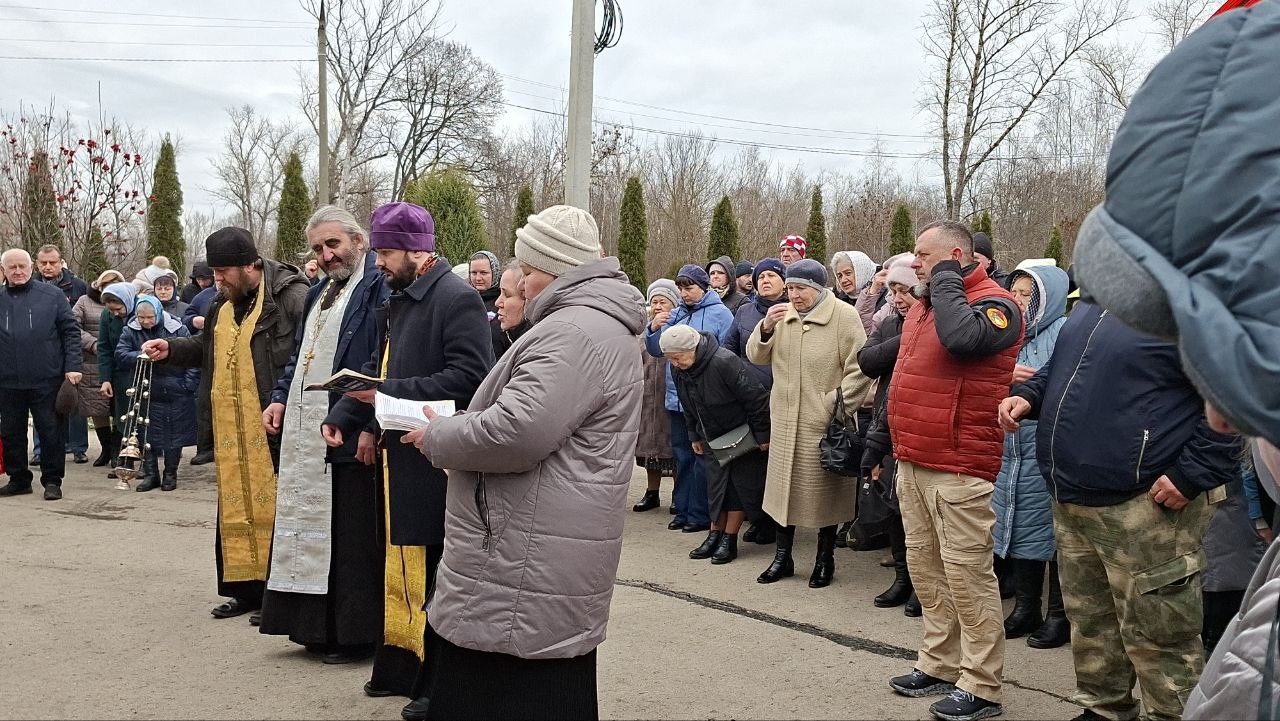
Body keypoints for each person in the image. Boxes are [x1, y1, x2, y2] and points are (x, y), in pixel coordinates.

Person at [407, 204, 645, 720]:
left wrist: (440, 435)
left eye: (528, 271)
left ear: (554, 271)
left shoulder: (572, 332)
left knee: (506, 688)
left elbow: (517, 433)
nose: (520, 284)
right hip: (543, 540)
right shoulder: (595, 324)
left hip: (524, 548)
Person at [998, 300, 1239, 721]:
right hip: (1073, 498)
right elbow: (1062, 369)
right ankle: (1104, 708)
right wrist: (1027, 395)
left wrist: (1193, 474)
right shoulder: (1095, 301)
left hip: (1146, 505)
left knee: (1159, 635)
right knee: (1091, 622)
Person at [321, 202, 492, 718]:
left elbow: (470, 378)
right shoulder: (399, 295)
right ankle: (399, 668)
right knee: (398, 564)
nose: (377, 263)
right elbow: (382, 366)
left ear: (417, 251)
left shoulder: (456, 298)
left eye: (386, 253)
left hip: (432, 459)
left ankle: (436, 685)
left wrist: (386, 393)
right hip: (396, 454)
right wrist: (348, 415)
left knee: (435, 571)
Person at [885, 221, 1023, 721]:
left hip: (959, 465)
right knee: (927, 569)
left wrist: (944, 279)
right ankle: (940, 663)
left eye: (924, 255)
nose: (914, 262)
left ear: (956, 257)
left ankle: (982, 685)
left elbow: (963, 340)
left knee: (967, 575)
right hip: (914, 457)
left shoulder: (997, 305)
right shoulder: (926, 305)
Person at [140, 227, 309, 623]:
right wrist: (171, 349)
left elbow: (304, 354)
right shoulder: (223, 301)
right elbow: (208, 348)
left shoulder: (291, 296)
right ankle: (243, 590)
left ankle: (277, 595)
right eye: (214, 273)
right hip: (231, 426)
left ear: (250, 265)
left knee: (276, 507)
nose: (217, 281)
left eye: (223, 273)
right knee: (235, 505)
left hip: (273, 421)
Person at [258, 206, 389, 665]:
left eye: (333, 244)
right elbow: (298, 359)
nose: (326, 254)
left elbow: (381, 359)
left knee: (350, 536)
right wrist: (279, 397)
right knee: (309, 526)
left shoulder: (377, 287)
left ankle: (352, 635)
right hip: (304, 428)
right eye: (318, 248)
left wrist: (369, 423)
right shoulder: (318, 292)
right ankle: (310, 626)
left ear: (359, 241)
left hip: (349, 425)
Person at [746, 258, 873, 589]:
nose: (794, 295)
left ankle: (824, 559)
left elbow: (860, 368)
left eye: (800, 288)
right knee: (782, 494)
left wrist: (833, 404)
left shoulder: (843, 316)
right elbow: (756, 356)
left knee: (824, 496)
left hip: (823, 424)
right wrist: (765, 328)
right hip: (785, 421)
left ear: (818, 288)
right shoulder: (783, 315)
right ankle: (782, 557)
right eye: (790, 288)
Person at [665, 324, 770, 565]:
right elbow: (687, 404)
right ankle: (715, 534)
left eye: (677, 357)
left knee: (737, 487)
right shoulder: (679, 369)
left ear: (692, 348)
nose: (675, 363)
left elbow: (756, 398)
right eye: (670, 359)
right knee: (715, 487)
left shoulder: (724, 361)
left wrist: (763, 436)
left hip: (741, 431)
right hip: (711, 435)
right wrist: (693, 435)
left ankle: (729, 539)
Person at [645, 263, 734, 535]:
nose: (684, 294)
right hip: (676, 397)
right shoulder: (676, 314)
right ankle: (682, 510)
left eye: (689, 288)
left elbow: (728, 353)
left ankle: (699, 514)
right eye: (681, 288)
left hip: (705, 398)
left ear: (703, 287)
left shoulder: (721, 313)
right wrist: (653, 328)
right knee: (682, 458)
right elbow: (657, 350)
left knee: (702, 459)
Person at [857, 253, 922, 615]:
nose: (897, 298)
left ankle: (921, 585)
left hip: (919, 426)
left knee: (916, 512)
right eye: (893, 291)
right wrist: (903, 339)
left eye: (905, 291)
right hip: (887, 423)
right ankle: (901, 577)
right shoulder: (891, 325)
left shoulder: (936, 324)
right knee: (894, 504)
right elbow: (866, 361)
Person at [0, 248, 81, 501]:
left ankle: (53, 481)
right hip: (7, 381)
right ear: (3, 271)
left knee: (50, 432)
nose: (18, 271)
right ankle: (19, 479)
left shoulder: (52, 295)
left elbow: (71, 332)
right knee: (11, 432)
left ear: (31, 268)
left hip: (47, 378)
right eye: (12, 267)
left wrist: (73, 366)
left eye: (22, 266)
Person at [722, 258, 786, 545]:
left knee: (775, 465)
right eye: (761, 277)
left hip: (780, 398)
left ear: (784, 282)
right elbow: (728, 349)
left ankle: (773, 523)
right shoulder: (745, 311)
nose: (765, 281)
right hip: (746, 398)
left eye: (772, 275)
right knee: (748, 463)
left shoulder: (793, 311)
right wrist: (737, 379)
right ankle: (756, 517)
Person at [116, 296, 197, 492]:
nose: (145, 321)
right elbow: (120, 355)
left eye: (149, 317)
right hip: (146, 391)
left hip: (176, 389)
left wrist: (188, 385)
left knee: (174, 435)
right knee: (145, 434)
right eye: (141, 317)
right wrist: (142, 355)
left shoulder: (177, 329)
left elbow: (192, 357)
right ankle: (151, 474)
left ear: (158, 314)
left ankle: (170, 473)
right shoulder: (130, 330)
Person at [33, 244, 89, 463]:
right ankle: (40, 450)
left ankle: (78, 447)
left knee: (73, 400)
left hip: (70, 349)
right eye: (43, 263)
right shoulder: (31, 285)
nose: (48, 267)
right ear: (37, 264)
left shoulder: (77, 286)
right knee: (41, 404)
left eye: (52, 262)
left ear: (61, 262)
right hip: (41, 353)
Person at [633, 280, 679, 514]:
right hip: (647, 396)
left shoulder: (679, 326)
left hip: (670, 397)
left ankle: (678, 494)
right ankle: (652, 492)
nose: (658, 306)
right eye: (654, 302)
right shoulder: (643, 330)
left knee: (673, 448)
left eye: (663, 302)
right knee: (649, 447)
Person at [72, 270, 125, 469]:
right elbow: (73, 326)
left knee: (119, 407)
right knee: (97, 407)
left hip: (118, 360)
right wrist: (93, 343)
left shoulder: (126, 303)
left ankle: (116, 450)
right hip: (92, 361)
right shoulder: (84, 301)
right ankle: (106, 448)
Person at [98, 281, 139, 486]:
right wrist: (105, 379)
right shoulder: (107, 316)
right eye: (112, 310)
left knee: (141, 416)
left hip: (141, 368)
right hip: (120, 373)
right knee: (122, 416)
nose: (115, 313)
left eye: (119, 309)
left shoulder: (142, 310)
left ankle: (143, 460)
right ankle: (123, 460)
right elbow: (105, 347)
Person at [181, 282, 218, 466]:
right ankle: (204, 447)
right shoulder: (204, 297)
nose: (219, 279)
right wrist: (193, 320)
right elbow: (187, 317)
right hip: (208, 358)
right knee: (204, 403)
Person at [489, 259, 531, 359]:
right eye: (500, 293)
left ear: (528, 298)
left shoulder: (535, 348)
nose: (497, 303)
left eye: (507, 295)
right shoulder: (502, 334)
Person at [468, 249, 501, 318]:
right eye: (474, 273)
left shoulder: (501, 303)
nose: (478, 278)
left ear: (495, 273)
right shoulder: (465, 300)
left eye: (483, 273)